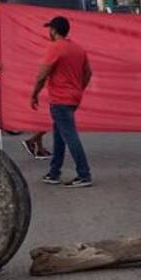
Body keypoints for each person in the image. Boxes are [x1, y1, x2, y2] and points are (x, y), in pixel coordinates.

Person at [31, 16, 93, 187]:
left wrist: (34, 93)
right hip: (73, 98)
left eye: (49, 29)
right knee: (59, 136)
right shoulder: (78, 49)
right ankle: (54, 172)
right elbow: (88, 73)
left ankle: (84, 174)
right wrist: (78, 88)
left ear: (54, 30)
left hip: (60, 98)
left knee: (70, 136)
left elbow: (43, 74)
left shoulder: (55, 47)